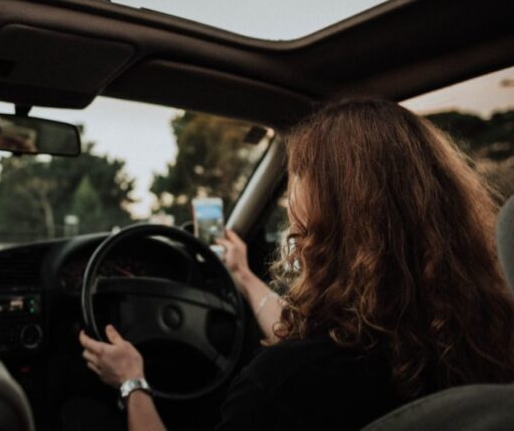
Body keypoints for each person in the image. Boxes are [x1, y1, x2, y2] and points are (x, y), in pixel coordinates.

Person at [80, 99, 514, 430]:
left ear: (318, 228)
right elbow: (332, 337)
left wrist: (131, 380)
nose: (289, 207)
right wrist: (245, 278)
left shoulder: (281, 386)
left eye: (295, 193)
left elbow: (313, 357)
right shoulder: (486, 334)